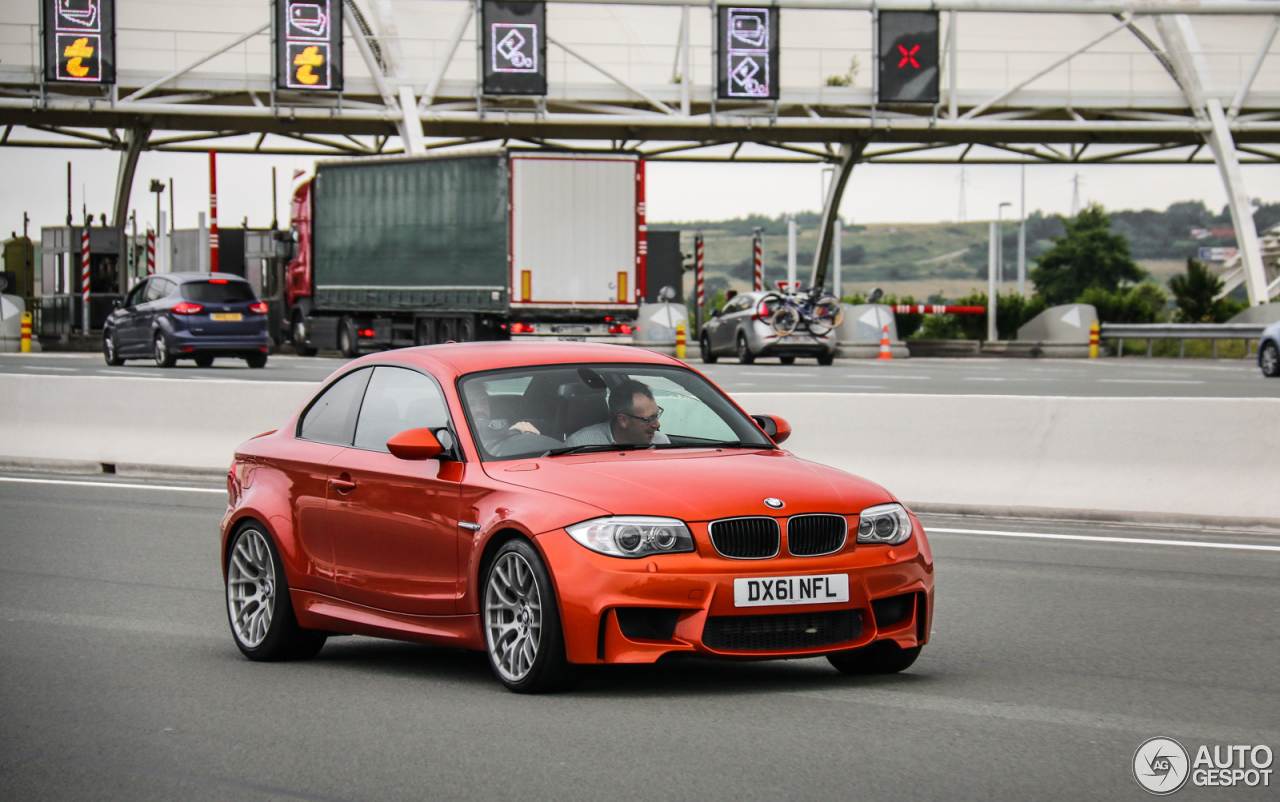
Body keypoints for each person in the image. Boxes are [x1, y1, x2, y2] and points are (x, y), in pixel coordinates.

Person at [564, 379, 670, 447]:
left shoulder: (661, 442)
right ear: (623, 420)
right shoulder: (580, 443)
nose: (657, 424)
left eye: (656, 415)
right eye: (648, 419)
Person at [463, 383, 540, 452]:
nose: (480, 409)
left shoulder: (504, 432)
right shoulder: (456, 441)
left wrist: (519, 434)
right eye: (471, 404)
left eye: (484, 403)